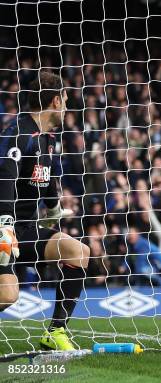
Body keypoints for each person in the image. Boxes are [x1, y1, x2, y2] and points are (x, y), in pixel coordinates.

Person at [0, 71, 91, 350]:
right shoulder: (18, 133)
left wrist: (54, 209)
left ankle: (55, 333)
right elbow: (4, 178)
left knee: (77, 251)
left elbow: (47, 179)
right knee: (8, 296)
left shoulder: (49, 140)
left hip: (24, 228)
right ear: (55, 101)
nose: (67, 105)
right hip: (5, 229)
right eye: (65, 99)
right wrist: (3, 227)